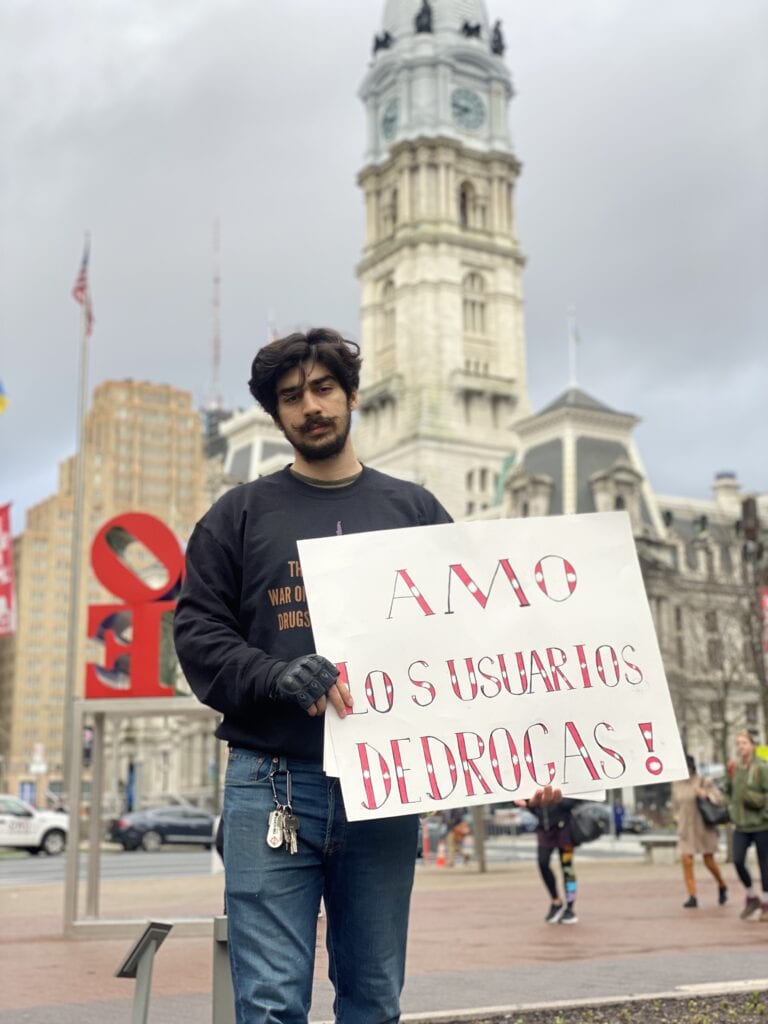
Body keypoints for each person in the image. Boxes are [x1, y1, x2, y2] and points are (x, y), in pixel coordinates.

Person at [173, 328, 562, 1024]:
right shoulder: (237, 515)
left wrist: (524, 758)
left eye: (323, 388)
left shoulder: (414, 511)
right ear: (276, 415)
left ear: (352, 395)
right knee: (267, 1003)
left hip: (385, 788)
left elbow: (477, 646)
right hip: (272, 782)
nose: (310, 407)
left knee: (375, 997)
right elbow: (197, 633)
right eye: (291, 398)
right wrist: (273, 675)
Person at [671, 753, 728, 909]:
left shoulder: (704, 781)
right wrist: (677, 819)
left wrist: (706, 795)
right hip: (685, 827)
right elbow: (675, 805)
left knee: (709, 860)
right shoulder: (676, 784)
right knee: (686, 860)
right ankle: (692, 895)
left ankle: (722, 885)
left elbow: (719, 799)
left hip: (703, 827)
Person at [723, 731, 768, 922]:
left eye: (744, 743)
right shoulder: (733, 767)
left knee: (765, 865)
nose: (740, 746)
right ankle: (751, 896)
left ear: (752, 745)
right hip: (740, 825)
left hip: (761, 825)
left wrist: (765, 814)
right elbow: (727, 791)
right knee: (738, 860)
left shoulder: (762, 767)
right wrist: (730, 808)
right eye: (738, 743)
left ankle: (766, 903)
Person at [528, 798, 580, 924]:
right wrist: (529, 805)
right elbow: (528, 802)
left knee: (567, 868)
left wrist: (556, 801)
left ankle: (570, 907)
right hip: (544, 830)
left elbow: (575, 799)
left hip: (565, 830)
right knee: (542, 862)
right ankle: (555, 901)